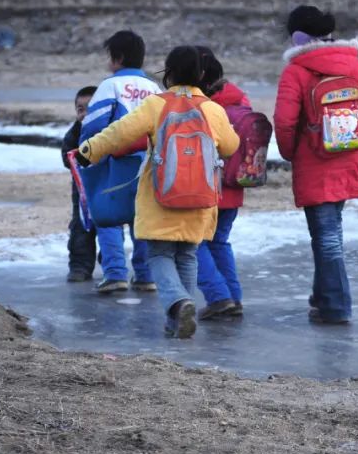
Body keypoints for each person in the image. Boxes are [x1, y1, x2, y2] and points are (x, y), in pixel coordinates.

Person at [77, 46, 240, 338]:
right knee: (188, 254)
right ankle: (177, 320)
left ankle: (178, 304)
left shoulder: (157, 105)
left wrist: (89, 150)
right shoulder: (213, 109)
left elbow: (119, 133)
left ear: (170, 73)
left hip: (161, 194)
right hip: (200, 195)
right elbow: (230, 146)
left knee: (160, 254)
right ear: (202, 75)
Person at [273, 6, 358, 324]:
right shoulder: (353, 64)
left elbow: (284, 121)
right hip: (347, 159)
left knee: (326, 236)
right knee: (328, 231)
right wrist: (356, 137)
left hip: (314, 163)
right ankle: (323, 297)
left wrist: (291, 151)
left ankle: (336, 306)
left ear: (297, 37)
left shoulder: (296, 71)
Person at [80, 30, 160, 294]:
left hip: (116, 163)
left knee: (109, 216)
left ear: (118, 58)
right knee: (142, 218)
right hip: (148, 164)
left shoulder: (110, 85)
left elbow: (94, 125)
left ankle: (115, 273)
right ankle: (146, 275)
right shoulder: (154, 88)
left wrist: (87, 150)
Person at [194, 46, 248, 320]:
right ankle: (233, 299)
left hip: (207, 185)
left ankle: (218, 297)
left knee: (195, 241)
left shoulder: (202, 106)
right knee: (219, 242)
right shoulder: (240, 99)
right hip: (235, 184)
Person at [61, 85, 98, 282]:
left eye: (89, 108)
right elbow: (66, 155)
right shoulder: (74, 133)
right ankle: (79, 267)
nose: (84, 114)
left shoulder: (108, 131)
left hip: (106, 189)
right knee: (80, 229)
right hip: (82, 192)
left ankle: (110, 264)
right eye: (80, 109)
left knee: (109, 229)